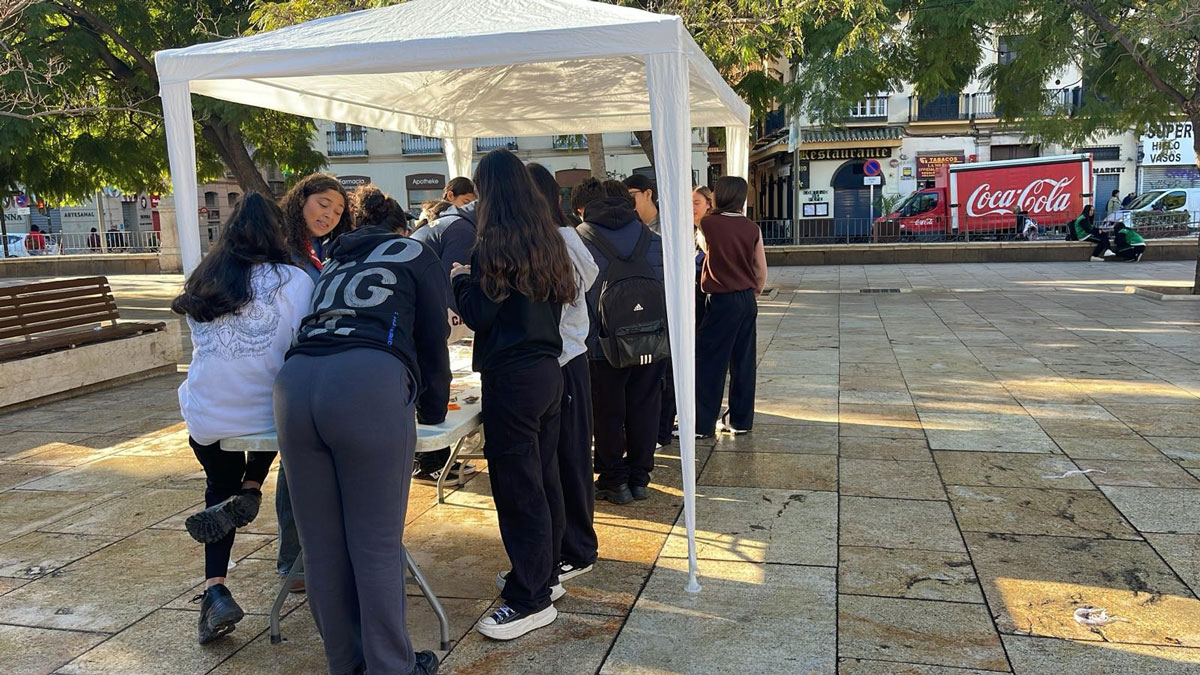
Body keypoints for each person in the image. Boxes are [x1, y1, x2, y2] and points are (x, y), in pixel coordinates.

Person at [274, 184, 449, 675]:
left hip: (295, 383)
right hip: (367, 381)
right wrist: (434, 409)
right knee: (374, 542)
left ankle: (345, 663)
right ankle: (391, 666)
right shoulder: (417, 251)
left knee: (322, 545)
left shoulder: (332, 261)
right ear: (400, 225)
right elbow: (433, 338)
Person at [171, 193, 314, 645]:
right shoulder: (293, 279)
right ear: (279, 233)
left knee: (219, 487)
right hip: (268, 416)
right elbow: (304, 346)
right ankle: (253, 486)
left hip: (206, 413)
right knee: (277, 420)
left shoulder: (204, 276)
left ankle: (215, 589)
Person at [451, 148, 577, 640]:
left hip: (514, 378)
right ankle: (542, 575)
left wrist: (461, 280)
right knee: (543, 480)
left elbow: (480, 315)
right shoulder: (547, 240)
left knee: (519, 488)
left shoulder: (493, 246)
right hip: (548, 370)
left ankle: (530, 598)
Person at [501, 162, 600, 587]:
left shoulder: (558, 238)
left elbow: (587, 278)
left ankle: (577, 549)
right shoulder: (554, 238)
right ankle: (561, 549)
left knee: (570, 458)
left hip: (564, 358)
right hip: (558, 358)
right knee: (556, 462)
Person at [273, 174, 355, 592]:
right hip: (288, 366)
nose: (329, 215)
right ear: (301, 200)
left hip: (312, 364)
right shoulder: (282, 250)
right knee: (294, 463)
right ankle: (293, 560)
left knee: (302, 462)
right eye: (323, 204)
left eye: (338, 211)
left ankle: (306, 555)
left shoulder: (316, 250)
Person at [574, 180, 667, 504]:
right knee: (645, 406)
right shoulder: (653, 239)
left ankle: (614, 481)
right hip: (651, 341)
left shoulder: (580, 239)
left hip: (601, 345)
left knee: (607, 412)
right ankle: (640, 478)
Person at [696, 176, 767, 438]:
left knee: (710, 362)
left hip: (722, 299)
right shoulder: (752, 228)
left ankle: (701, 424)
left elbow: (703, 248)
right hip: (747, 298)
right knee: (743, 362)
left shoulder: (708, 223)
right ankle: (740, 420)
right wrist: (753, 292)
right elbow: (760, 269)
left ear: (718, 196)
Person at [658, 185, 716, 446]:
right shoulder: (690, 231)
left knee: (697, 360)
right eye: (689, 202)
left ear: (708, 204)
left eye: (697, 202)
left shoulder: (709, 231)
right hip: (687, 298)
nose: (692, 207)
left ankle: (696, 417)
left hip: (702, 300)